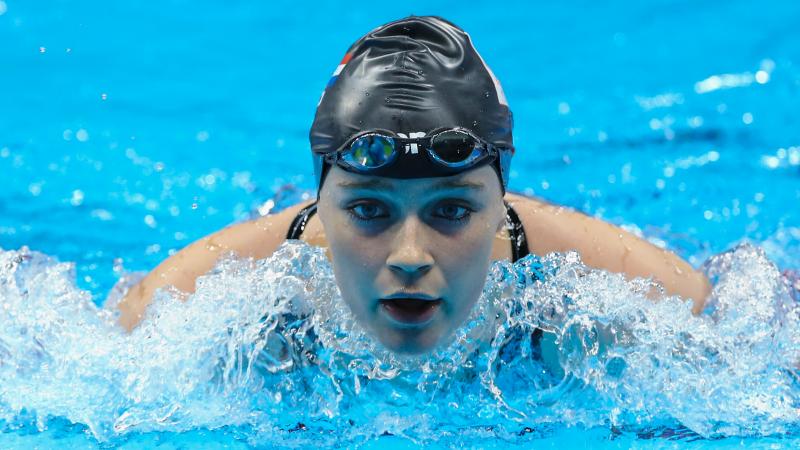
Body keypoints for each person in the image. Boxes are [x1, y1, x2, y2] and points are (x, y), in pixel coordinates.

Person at [117, 16, 710, 356]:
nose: (408, 256)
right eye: (369, 211)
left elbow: (717, 310)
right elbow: (125, 326)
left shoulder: (584, 268)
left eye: (451, 211)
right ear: (321, 206)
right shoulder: (231, 283)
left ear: (499, 206)